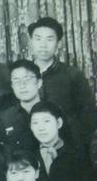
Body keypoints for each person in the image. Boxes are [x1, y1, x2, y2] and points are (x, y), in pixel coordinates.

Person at [28, 17, 96, 147]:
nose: (43, 45)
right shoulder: (20, 75)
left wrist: (75, 144)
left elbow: (88, 115)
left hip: (67, 145)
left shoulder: (72, 75)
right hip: (30, 146)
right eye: (38, 39)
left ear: (58, 44)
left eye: (49, 39)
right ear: (31, 42)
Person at [0, 60, 41, 155]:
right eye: (16, 81)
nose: (22, 85)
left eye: (27, 79)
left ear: (39, 83)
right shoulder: (5, 117)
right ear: (12, 86)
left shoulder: (53, 113)